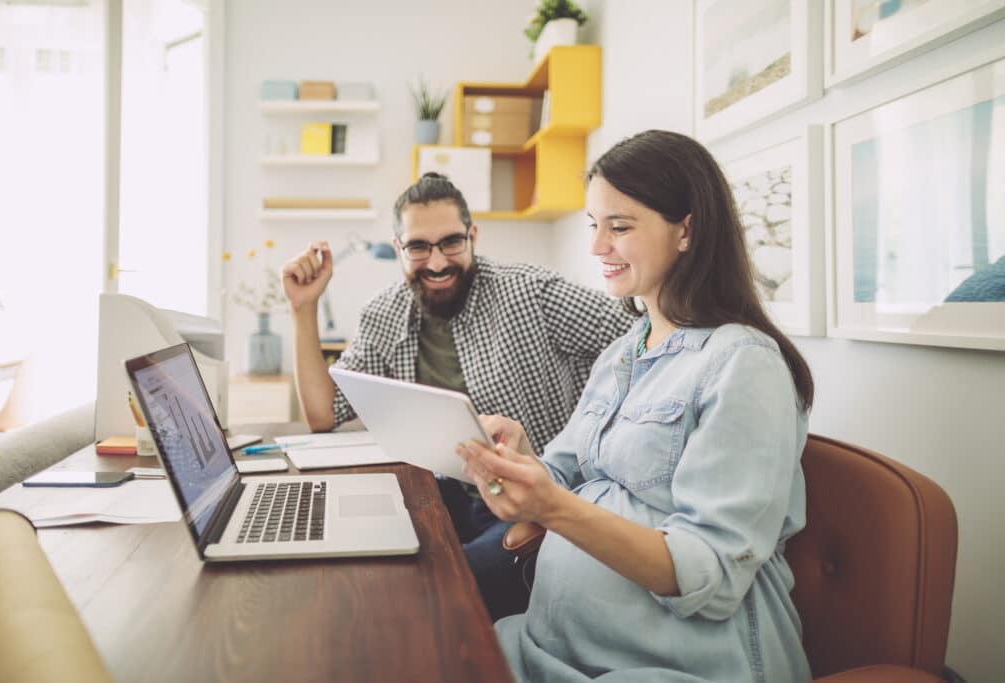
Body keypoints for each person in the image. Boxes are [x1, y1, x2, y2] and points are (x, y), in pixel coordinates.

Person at [456, 130, 816, 682]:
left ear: (686, 230)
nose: (598, 246)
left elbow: (712, 575)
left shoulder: (744, 365)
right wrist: (520, 458)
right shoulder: (623, 352)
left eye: (619, 227)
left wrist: (552, 507)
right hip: (548, 646)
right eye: (593, 225)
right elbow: (567, 472)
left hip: (669, 667)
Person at [280, 172, 635, 620]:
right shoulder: (385, 313)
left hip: (532, 502)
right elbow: (323, 414)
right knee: (364, 568)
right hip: (443, 492)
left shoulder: (530, 291)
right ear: (398, 248)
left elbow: (640, 338)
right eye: (418, 247)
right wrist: (303, 308)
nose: (436, 262)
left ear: (472, 236)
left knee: (441, 591)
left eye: (450, 243)